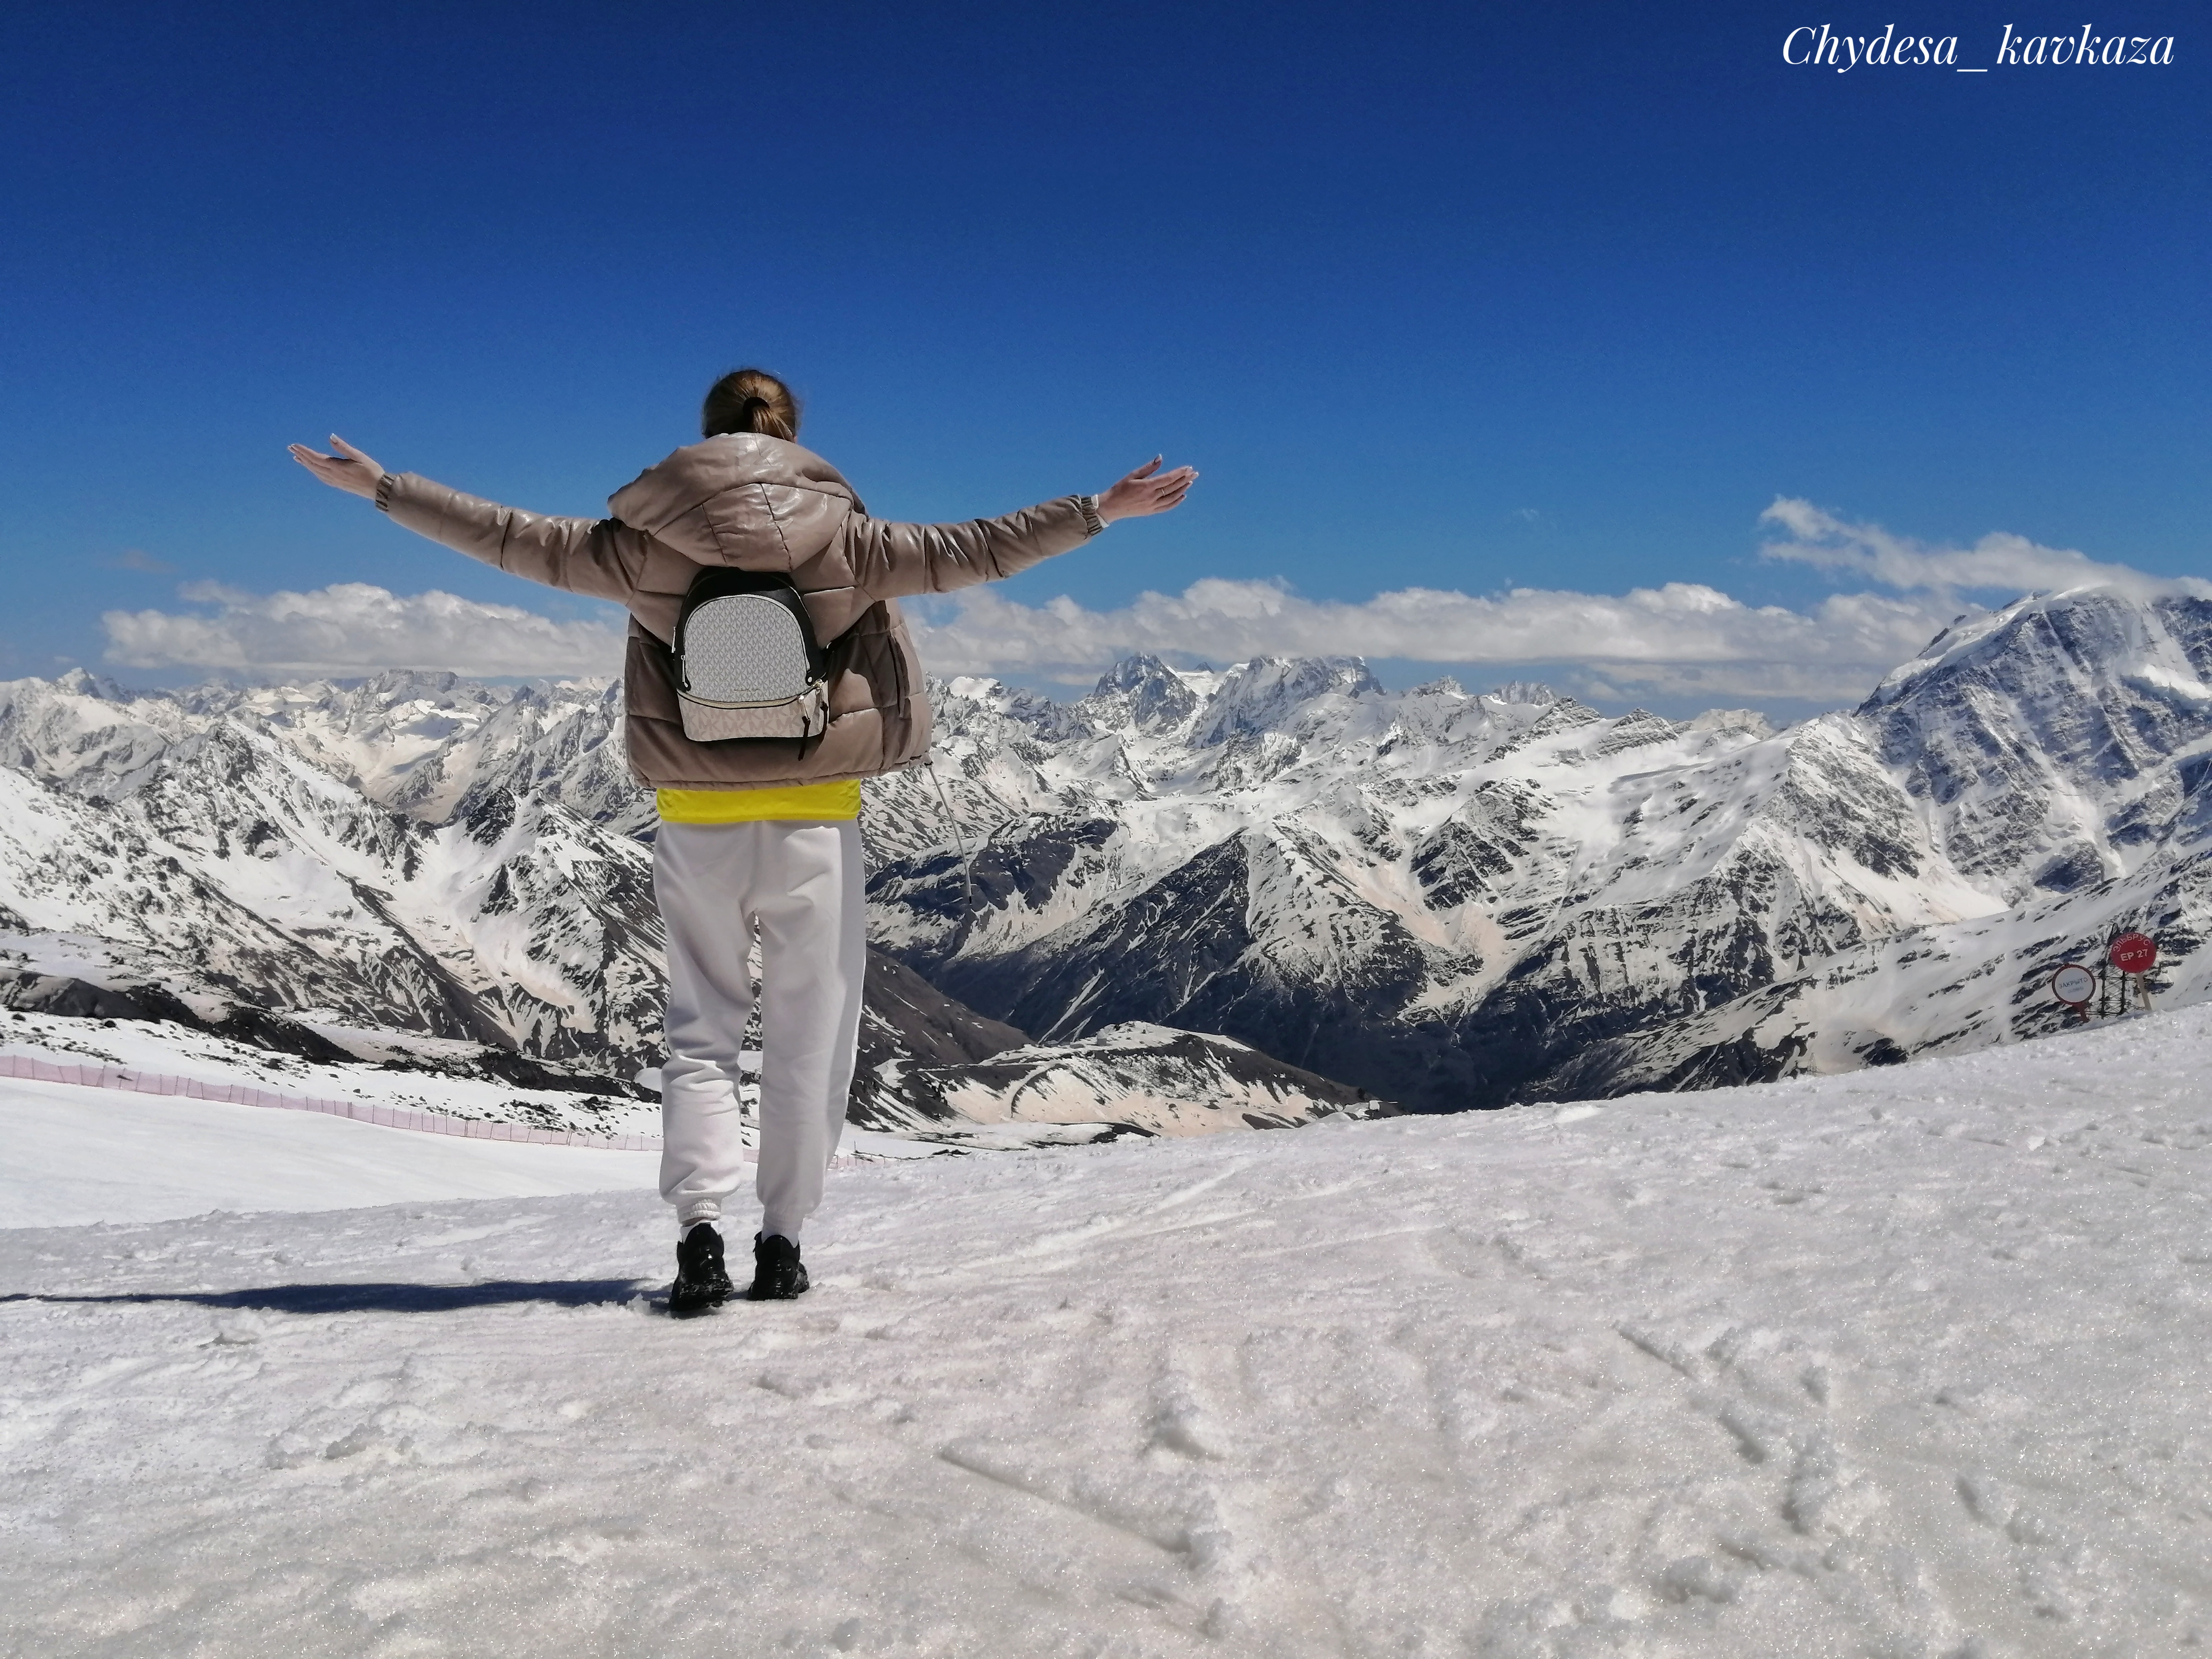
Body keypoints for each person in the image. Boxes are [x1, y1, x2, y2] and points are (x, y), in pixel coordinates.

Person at [292, 368, 1196, 1311]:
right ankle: (782, 1242)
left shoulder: (638, 544)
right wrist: (1100, 510)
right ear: (793, 437)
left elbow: (510, 539)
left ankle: (696, 1236)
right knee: (812, 1040)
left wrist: (386, 488)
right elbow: (981, 549)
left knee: (702, 1035)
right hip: (816, 821)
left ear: (703, 438)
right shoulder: (852, 540)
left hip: (696, 821)